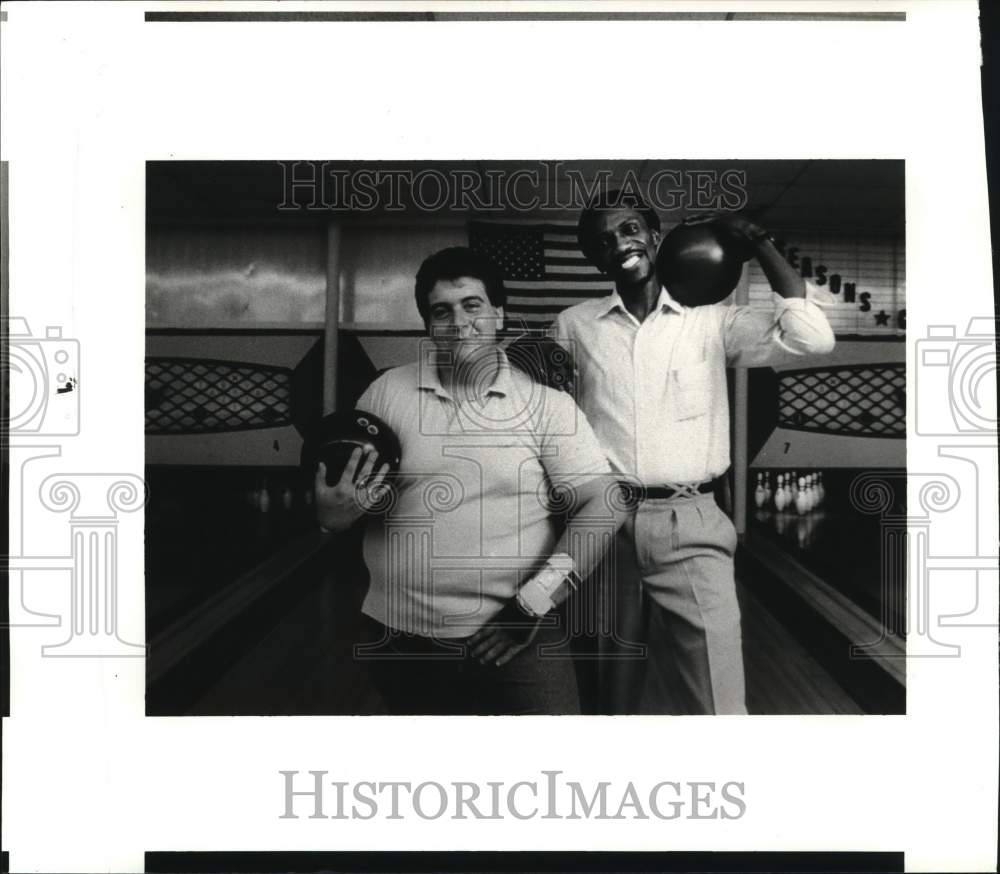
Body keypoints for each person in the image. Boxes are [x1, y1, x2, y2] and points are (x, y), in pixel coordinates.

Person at [554, 191, 836, 715]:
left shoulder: (712, 321)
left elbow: (812, 337)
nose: (621, 244)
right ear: (595, 258)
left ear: (655, 237)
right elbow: (552, 415)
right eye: (605, 240)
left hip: (691, 522)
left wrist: (758, 242)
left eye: (631, 229)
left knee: (719, 699)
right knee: (607, 699)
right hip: (604, 524)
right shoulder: (574, 325)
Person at [314, 246, 624, 715]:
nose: (459, 322)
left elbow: (604, 505)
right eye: (442, 311)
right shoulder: (385, 393)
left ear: (499, 314)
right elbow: (353, 496)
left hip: (518, 634)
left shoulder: (547, 406)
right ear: (428, 325)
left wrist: (532, 605)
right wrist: (330, 520)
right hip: (401, 637)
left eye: (472, 305)